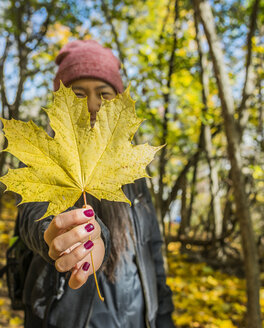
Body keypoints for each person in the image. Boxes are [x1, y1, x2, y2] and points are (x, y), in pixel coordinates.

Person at [17, 39, 175, 328]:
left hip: (137, 317)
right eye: (78, 94)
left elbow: (152, 248)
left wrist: (163, 316)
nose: (92, 104)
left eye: (103, 93)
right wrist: (67, 235)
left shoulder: (132, 170)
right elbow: (33, 218)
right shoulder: (41, 155)